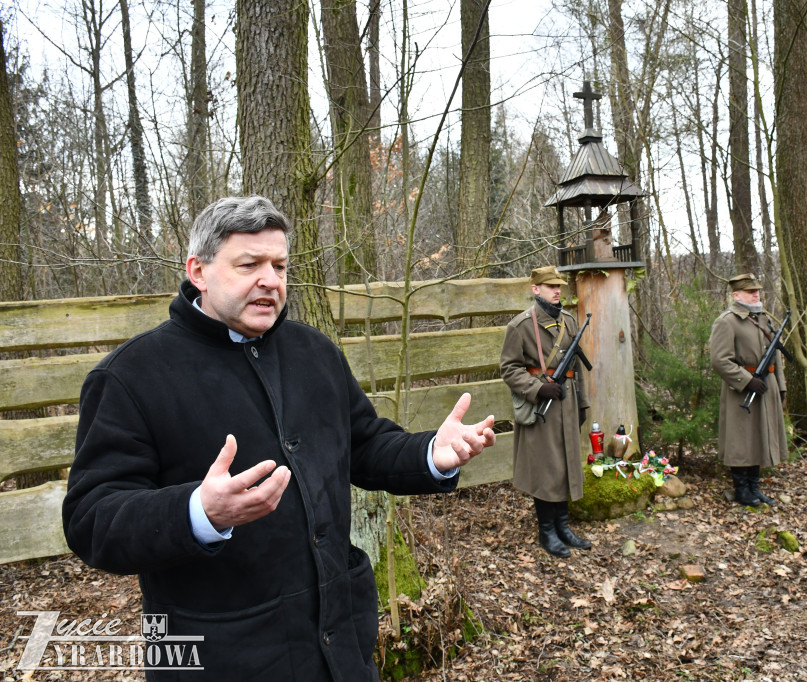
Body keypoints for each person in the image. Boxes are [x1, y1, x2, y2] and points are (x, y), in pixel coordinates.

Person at [62, 195, 496, 681]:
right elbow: (90, 519)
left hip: (339, 649)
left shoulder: (314, 353)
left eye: (280, 265)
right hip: (221, 658)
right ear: (198, 271)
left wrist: (430, 454)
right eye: (249, 264)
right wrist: (197, 513)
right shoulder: (130, 377)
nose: (270, 279)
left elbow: (365, 445)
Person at [499, 266, 591, 558]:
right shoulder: (520, 326)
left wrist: (583, 403)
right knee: (545, 469)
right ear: (535, 289)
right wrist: (537, 388)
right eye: (550, 286)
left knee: (564, 467)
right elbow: (509, 368)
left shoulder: (569, 320)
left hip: (567, 402)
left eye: (559, 286)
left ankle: (563, 527)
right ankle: (547, 531)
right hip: (541, 406)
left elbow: (577, 367)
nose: (556, 290)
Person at [708, 272, 788, 506]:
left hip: (767, 385)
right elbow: (720, 360)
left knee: (759, 438)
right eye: (750, 291)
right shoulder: (727, 321)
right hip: (742, 390)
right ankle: (742, 490)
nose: (756, 294)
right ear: (736, 294)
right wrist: (745, 380)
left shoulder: (763, 318)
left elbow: (776, 353)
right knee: (742, 440)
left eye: (757, 291)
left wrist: (780, 386)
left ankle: (755, 488)